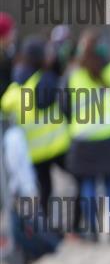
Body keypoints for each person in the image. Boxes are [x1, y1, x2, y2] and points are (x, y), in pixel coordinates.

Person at [63, 29, 110, 242]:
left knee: (87, 185)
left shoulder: (73, 74)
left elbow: (64, 105)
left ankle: (92, 229)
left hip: (83, 138)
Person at [1, 36, 71, 214]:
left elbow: (6, 104)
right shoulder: (47, 78)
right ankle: (76, 223)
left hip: (34, 151)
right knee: (78, 180)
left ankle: (45, 225)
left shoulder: (15, 88)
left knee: (44, 190)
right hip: (58, 144)